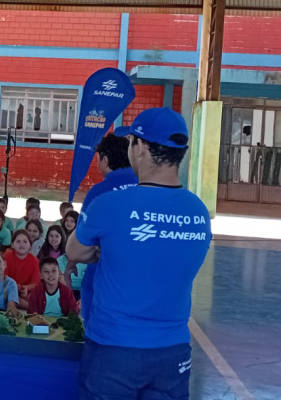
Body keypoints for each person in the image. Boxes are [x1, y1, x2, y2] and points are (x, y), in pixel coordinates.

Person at [67, 108, 210, 399]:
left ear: (141, 147)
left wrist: (105, 251)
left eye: (131, 141)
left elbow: (74, 251)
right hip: (173, 353)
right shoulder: (199, 212)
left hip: (114, 350)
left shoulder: (110, 204)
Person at [66, 133, 139, 326]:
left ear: (105, 160)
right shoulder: (147, 188)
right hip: (139, 286)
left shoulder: (99, 193)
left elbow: (80, 242)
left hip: (103, 282)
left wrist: (71, 262)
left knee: (97, 333)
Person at [4, 229, 40, 308]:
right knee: (9, 295)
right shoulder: (6, 256)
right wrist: (15, 287)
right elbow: (3, 278)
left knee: (35, 296)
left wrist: (26, 288)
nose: (21, 244)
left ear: (30, 245)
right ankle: (31, 307)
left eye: (25, 241)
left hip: (26, 291)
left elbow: (35, 283)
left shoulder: (34, 260)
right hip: (9, 288)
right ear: (12, 245)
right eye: (18, 241)